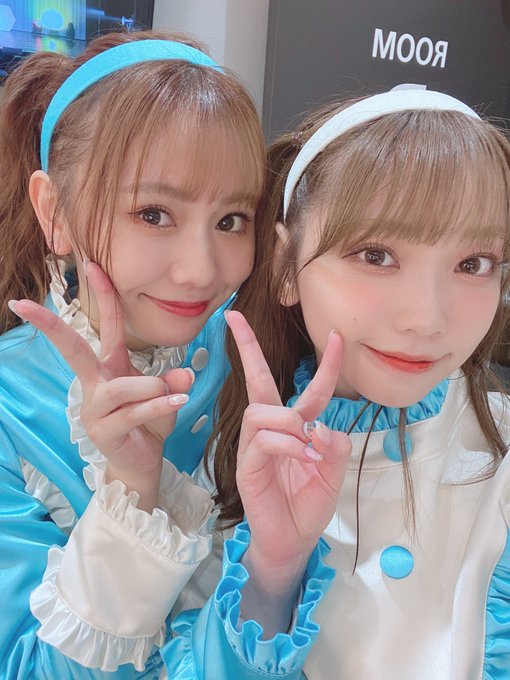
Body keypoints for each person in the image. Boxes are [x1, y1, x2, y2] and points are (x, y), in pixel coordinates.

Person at [159, 89, 510, 678]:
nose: (427, 319)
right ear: (285, 266)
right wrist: (273, 568)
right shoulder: (233, 463)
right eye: (376, 255)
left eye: (472, 264)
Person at [0, 29, 265, 678]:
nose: (202, 271)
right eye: (153, 213)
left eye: (232, 220)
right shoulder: (9, 405)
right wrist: (132, 488)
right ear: (55, 212)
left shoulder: (256, 354)